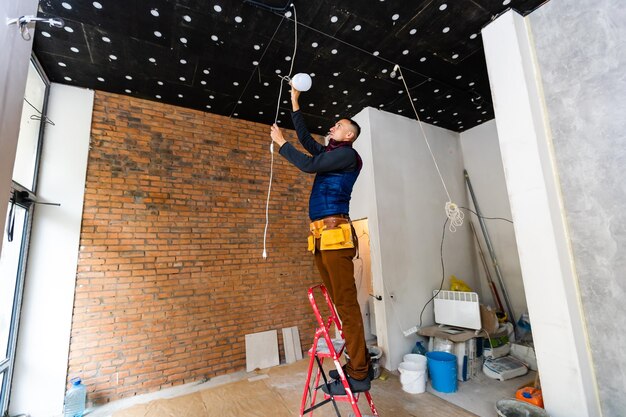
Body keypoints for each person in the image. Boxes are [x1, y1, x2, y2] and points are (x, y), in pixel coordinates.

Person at [270, 84, 371, 395]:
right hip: (321, 237)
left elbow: (307, 164)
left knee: (346, 305)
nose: (332, 127)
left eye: (339, 125)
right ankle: (358, 362)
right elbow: (307, 142)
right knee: (339, 304)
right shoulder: (332, 153)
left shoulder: (347, 156)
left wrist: (280, 144)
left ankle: (359, 373)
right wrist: (295, 102)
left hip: (336, 237)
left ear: (350, 136)